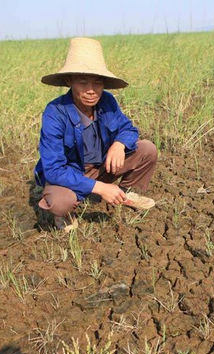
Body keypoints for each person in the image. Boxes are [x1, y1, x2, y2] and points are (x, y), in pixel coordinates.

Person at [34, 37, 157, 231]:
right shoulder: (55, 112)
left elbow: (128, 129)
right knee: (59, 202)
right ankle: (67, 213)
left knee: (147, 149)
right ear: (69, 81)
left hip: (101, 167)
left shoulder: (107, 101)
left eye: (97, 83)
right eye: (83, 83)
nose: (91, 91)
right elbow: (54, 170)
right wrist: (100, 188)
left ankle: (124, 193)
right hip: (70, 174)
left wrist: (119, 144)